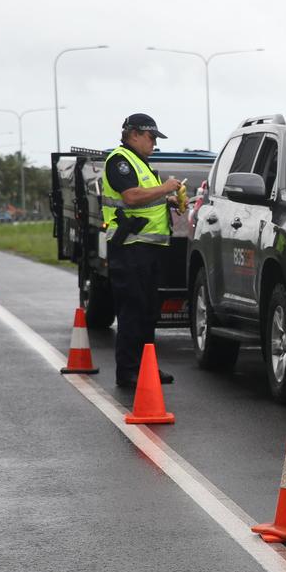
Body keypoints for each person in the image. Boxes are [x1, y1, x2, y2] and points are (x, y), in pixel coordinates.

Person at [102, 113, 183, 389]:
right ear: (133, 134)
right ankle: (128, 371)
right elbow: (131, 197)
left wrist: (168, 199)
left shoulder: (140, 163)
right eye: (151, 138)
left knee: (148, 311)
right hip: (130, 247)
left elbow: (146, 197)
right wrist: (167, 187)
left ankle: (147, 367)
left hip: (147, 248)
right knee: (132, 310)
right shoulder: (120, 161)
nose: (153, 144)